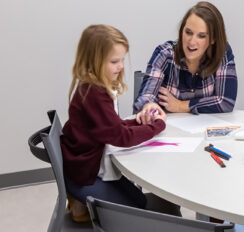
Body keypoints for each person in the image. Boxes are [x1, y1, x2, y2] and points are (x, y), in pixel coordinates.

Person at [60, 25, 167, 222]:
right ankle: (78, 200)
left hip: (84, 163)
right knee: (135, 213)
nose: (121, 66)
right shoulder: (94, 93)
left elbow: (112, 126)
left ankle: (81, 204)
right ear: (94, 61)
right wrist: (157, 126)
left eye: (122, 60)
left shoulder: (93, 87)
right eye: (114, 61)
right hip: (84, 173)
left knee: (140, 201)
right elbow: (120, 137)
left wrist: (138, 122)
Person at [134, 1, 236, 122]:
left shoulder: (222, 53)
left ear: (213, 39)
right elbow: (146, 98)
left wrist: (180, 106)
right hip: (168, 129)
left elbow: (226, 101)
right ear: (182, 31)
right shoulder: (164, 54)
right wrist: (148, 106)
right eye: (188, 32)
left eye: (201, 36)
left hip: (204, 129)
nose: (191, 42)